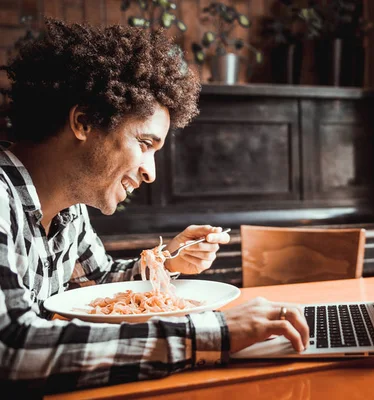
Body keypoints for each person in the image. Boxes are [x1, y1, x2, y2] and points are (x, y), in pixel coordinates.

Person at [0, 19, 308, 394]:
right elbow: (11, 348)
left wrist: (168, 260)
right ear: (83, 122)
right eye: (145, 144)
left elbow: (97, 283)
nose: (150, 174)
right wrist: (215, 333)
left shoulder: (69, 210)